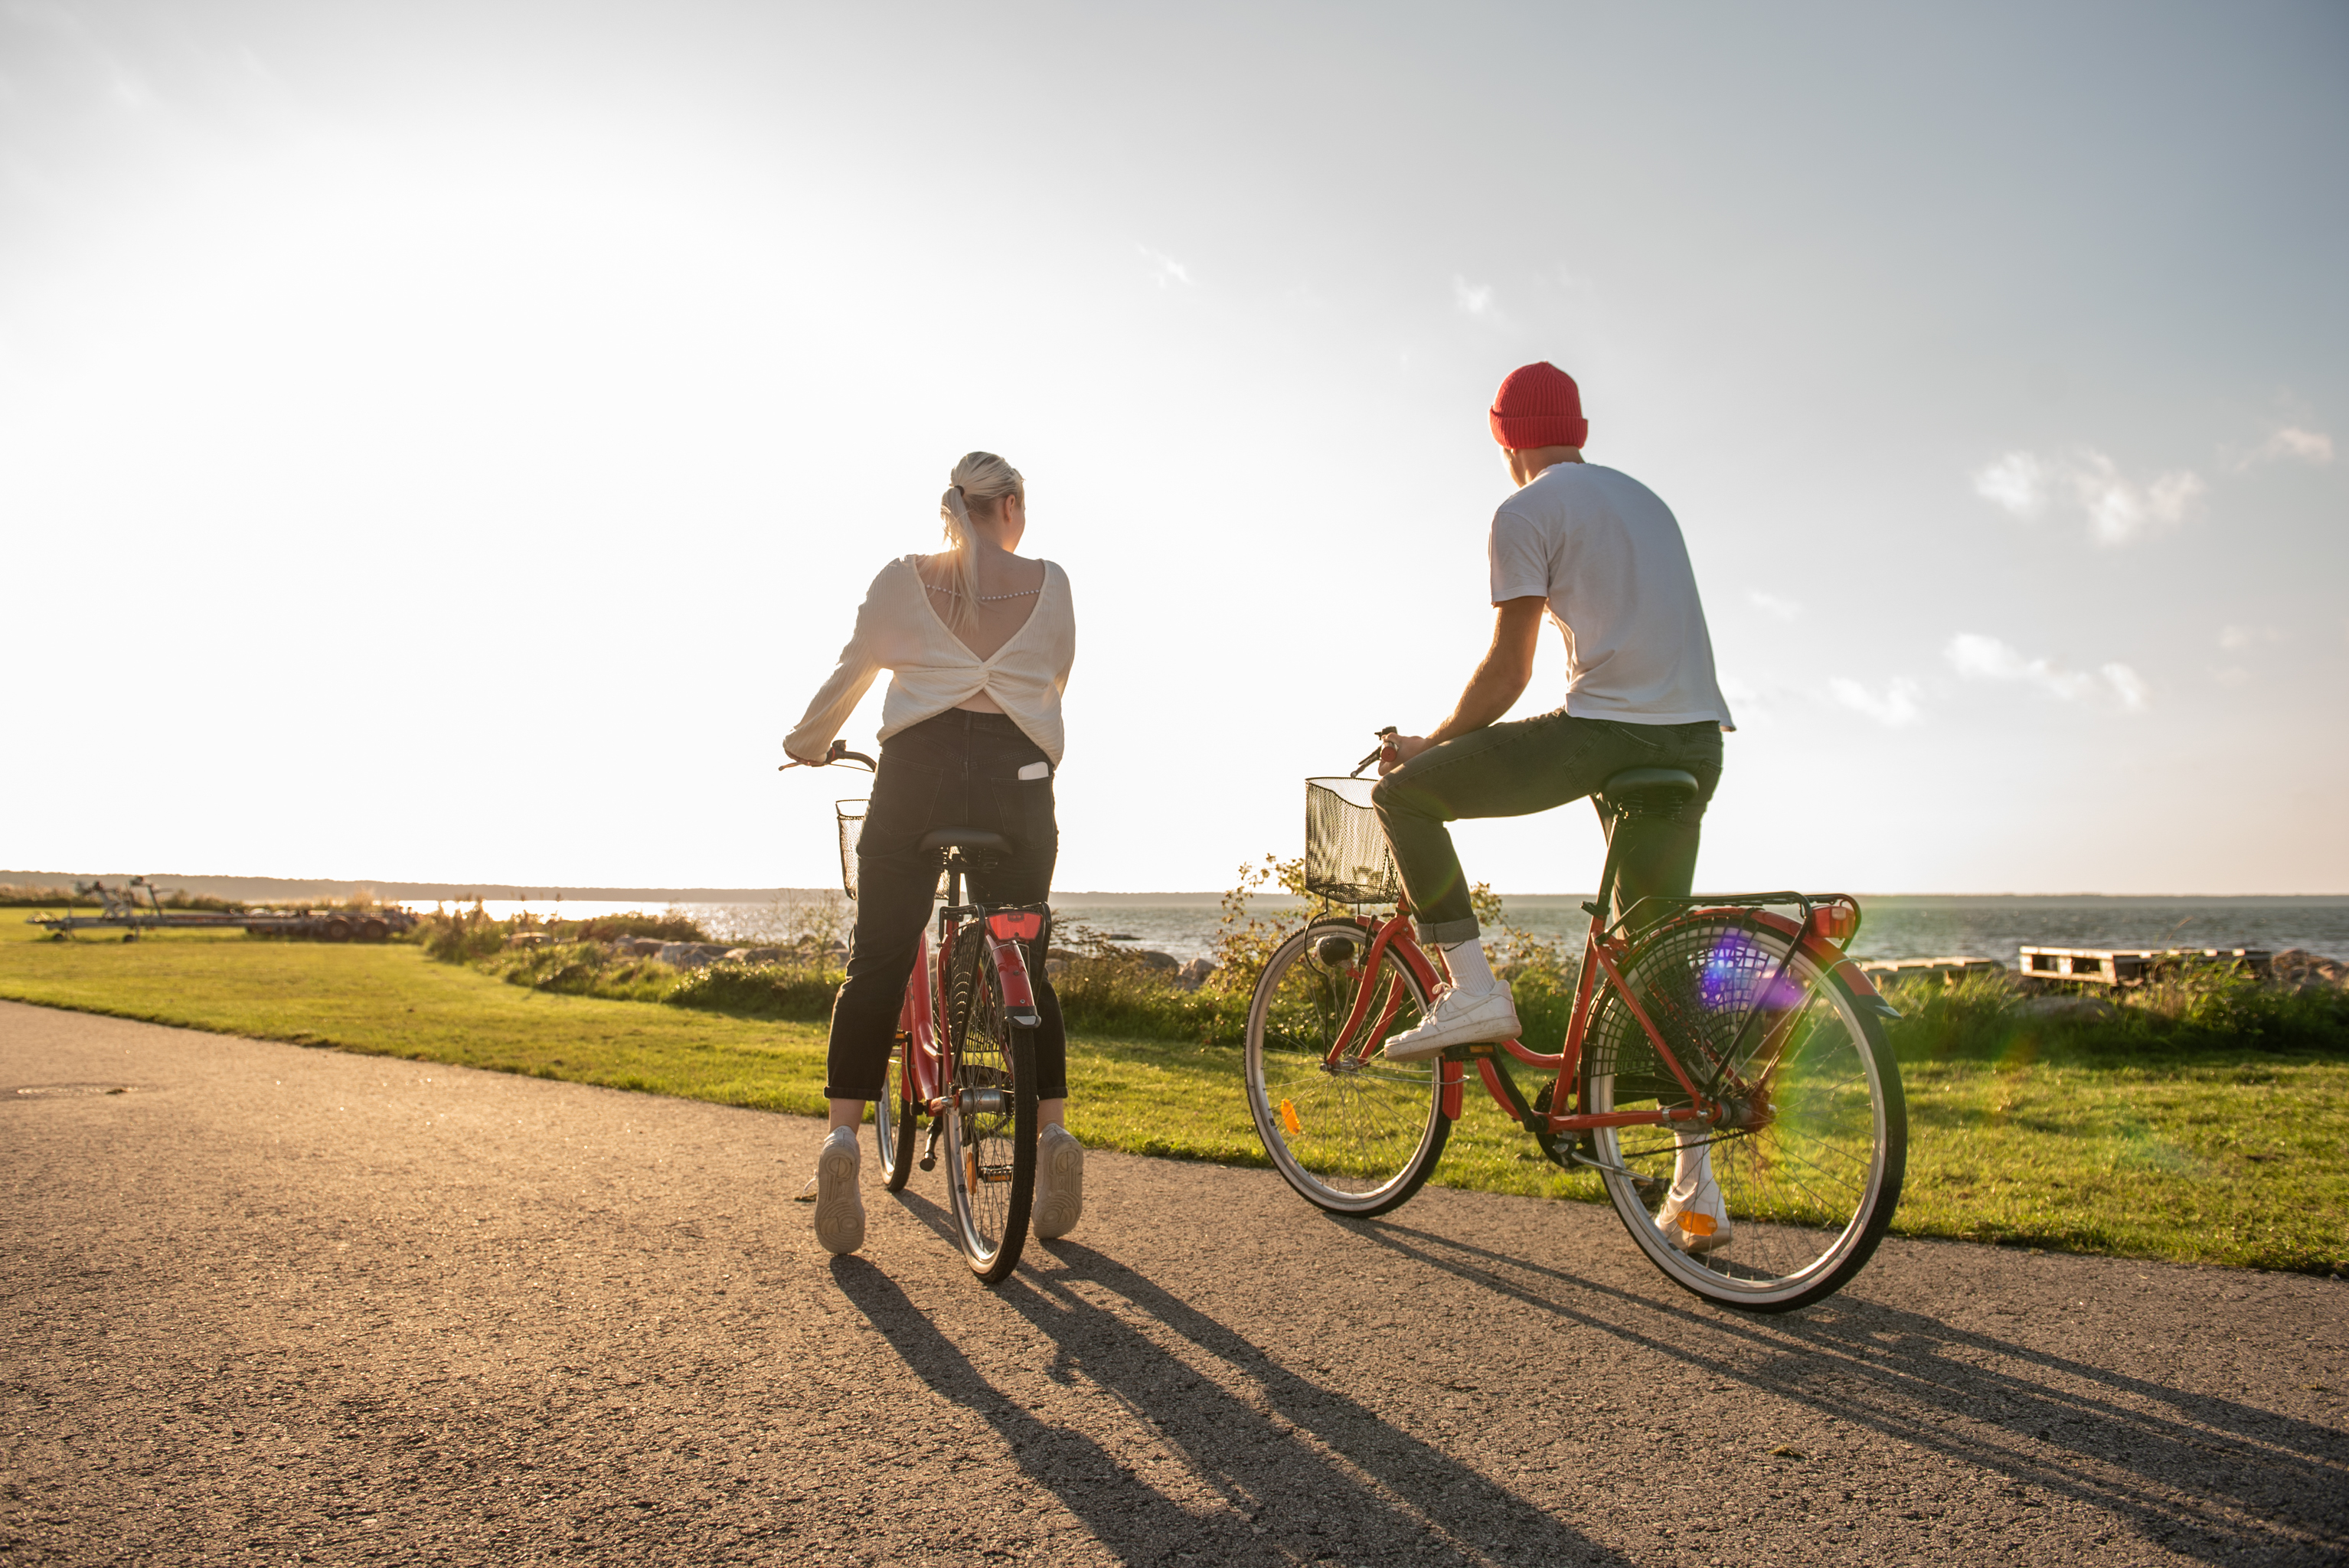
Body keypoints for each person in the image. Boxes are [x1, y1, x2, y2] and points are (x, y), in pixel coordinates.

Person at [1371, 362, 1736, 1253]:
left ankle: (1473, 994)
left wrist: (1429, 742)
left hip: (1607, 736)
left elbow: (1508, 671)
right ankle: (1696, 1191)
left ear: (1505, 437)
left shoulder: (1524, 510)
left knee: (1402, 797)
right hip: (1697, 745)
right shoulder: (1645, 499)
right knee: (1651, 960)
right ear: (1575, 425)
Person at [782, 452, 1081, 1256]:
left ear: (951, 504)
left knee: (877, 958)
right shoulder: (1051, 584)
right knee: (1023, 953)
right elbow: (1051, 682)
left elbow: (852, 671)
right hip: (1015, 787)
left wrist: (806, 744)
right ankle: (1050, 1137)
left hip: (914, 780)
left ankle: (843, 1141)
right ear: (1011, 505)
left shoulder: (902, 577)